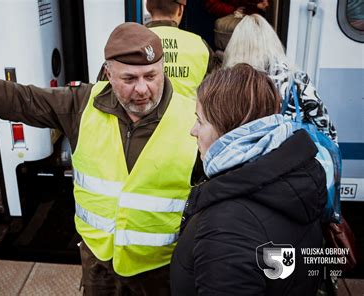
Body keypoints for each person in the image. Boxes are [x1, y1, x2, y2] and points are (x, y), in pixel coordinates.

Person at [0, 22, 199, 295]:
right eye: (130, 79)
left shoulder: (194, 118)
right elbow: (19, 99)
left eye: (151, 75)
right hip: (99, 263)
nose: (143, 89)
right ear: (108, 74)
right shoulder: (83, 104)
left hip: (160, 270)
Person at [170, 63, 326, 295]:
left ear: (229, 130)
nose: (193, 131)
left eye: (200, 121)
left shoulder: (225, 228)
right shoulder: (296, 173)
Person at [222, 14, 338, 143]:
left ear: (235, 46)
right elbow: (325, 128)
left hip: (248, 159)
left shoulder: (229, 83)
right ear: (273, 42)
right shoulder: (296, 78)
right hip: (293, 156)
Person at [145, 0, 211, 99]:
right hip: (189, 113)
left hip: (144, 114)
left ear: (147, 6)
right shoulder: (200, 44)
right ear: (180, 10)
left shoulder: (132, 41)